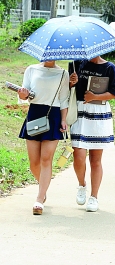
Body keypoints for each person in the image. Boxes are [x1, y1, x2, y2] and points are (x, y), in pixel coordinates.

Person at [17, 60, 70, 215]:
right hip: (34, 114)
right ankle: (43, 187)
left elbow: (64, 99)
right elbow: (23, 95)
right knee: (34, 163)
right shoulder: (31, 69)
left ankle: (39, 199)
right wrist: (23, 95)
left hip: (53, 115)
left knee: (46, 159)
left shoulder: (63, 73)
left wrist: (63, 119)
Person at [68, 56, 115, 212]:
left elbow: (114, 93)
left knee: (96, 159)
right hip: (79, 112)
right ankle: (82, 184)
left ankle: (94, 196)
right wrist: (71, 82)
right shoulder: (76, 63)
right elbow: (67, 89)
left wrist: (95, 97)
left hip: (98, 112)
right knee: (79, 155)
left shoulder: (109, 67)